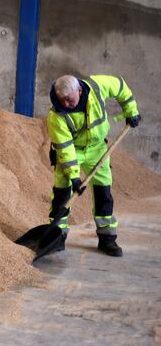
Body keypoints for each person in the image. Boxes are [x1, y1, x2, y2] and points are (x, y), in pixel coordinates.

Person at [47, 74, 141, 257]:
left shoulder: (97, 87)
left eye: (69, 99)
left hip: (98, 149)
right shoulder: (56, 115)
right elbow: (65, 149)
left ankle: (107, 239)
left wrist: (131, 110)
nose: (65, 104)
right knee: (62, 193)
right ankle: (56, 237)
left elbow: (120, 87)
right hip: (72, 151)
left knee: (103, 191)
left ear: (79, 91)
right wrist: (74, 176)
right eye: (62, 100)